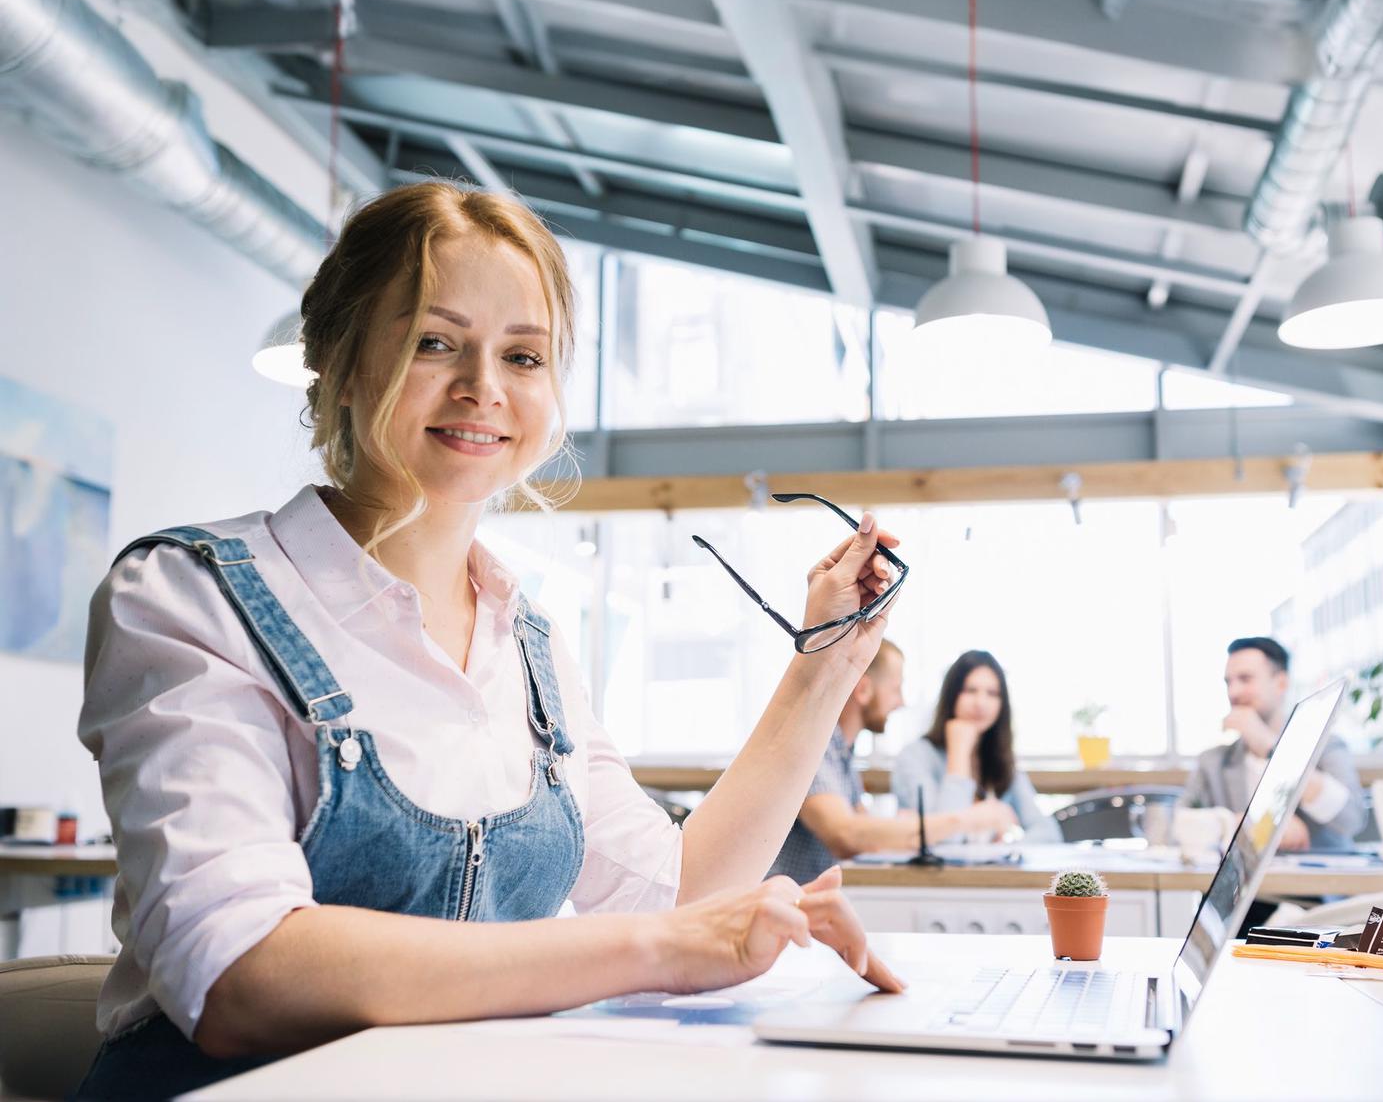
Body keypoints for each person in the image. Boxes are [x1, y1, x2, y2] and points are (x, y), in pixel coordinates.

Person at [75, 182, 905, 1100]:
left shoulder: (529, 645)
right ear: (340, 362)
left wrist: (825, 662)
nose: (484, 387)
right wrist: (661, 950)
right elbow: (239, 971)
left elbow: (673, 893)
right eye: (436, 341)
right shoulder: (188, 596)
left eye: (523, 355)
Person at [768, 640, 1016, 880]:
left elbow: (867, 832)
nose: (901, 702)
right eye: (896, 689)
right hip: (780, 910)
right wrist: (968, 819)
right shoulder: (813, 745)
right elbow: (847, 835)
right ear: (864, 690)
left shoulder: (842, 753)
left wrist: (899, 829)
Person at [1180, 636, 1366, 852]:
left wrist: (1273, 749)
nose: (1233, 692)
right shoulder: (1213, 761)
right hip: (1247, 885)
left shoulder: (1326, 746)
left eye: (1245, 679)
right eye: (1228, 682)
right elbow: (1176, 827)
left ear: (1281, 684)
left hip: (1318, 884)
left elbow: (1352, 819)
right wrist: (1247, 826)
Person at [891, 649, 1062, 843]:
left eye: (992, 693)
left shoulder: (1000, 760)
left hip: (991, 873)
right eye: (970, 690)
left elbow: (1049, 833)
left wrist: (1006, 847)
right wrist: (959, 753)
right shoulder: (915, 757)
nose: (981, 703)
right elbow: (942, 842)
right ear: (951, 695)